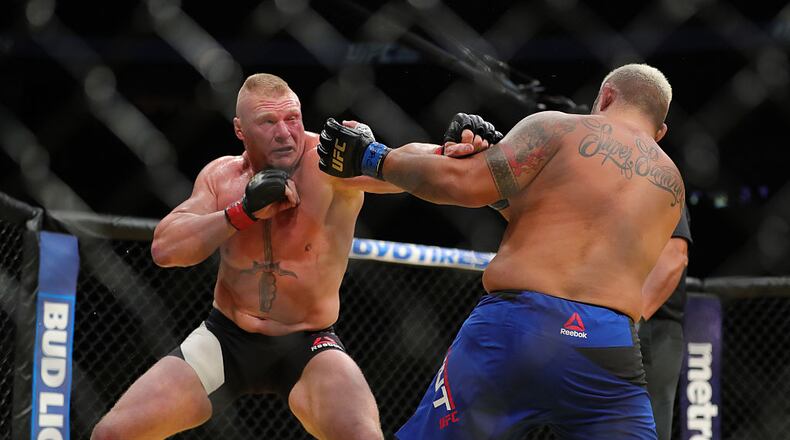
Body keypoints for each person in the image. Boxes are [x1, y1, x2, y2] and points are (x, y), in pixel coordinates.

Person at [89, 73, 465, 440]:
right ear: (240, 130)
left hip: (309, 343)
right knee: (112, 433)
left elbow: (404, 163)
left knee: (361, 434)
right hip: (226, 338)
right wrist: (243, 211)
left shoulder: (330, 164)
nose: (285, 133)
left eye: (293, 119)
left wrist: (446, 151)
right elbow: (165, 250)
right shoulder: (221, 177)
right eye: (268, 122)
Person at [318, 63, 684, 439]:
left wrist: (373, 157)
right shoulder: (671, 184)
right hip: (609, 347)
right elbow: (559, 219)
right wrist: (496, 179)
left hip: (520, 324)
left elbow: (466, 185)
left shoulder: (560, 127)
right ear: (661, 129)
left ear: (605, 96)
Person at [639, 205, 692, 440]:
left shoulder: (659, 179)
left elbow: (674, 257)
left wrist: (634, 318)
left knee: (649, 428)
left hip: (652, 328)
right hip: (603, 323)